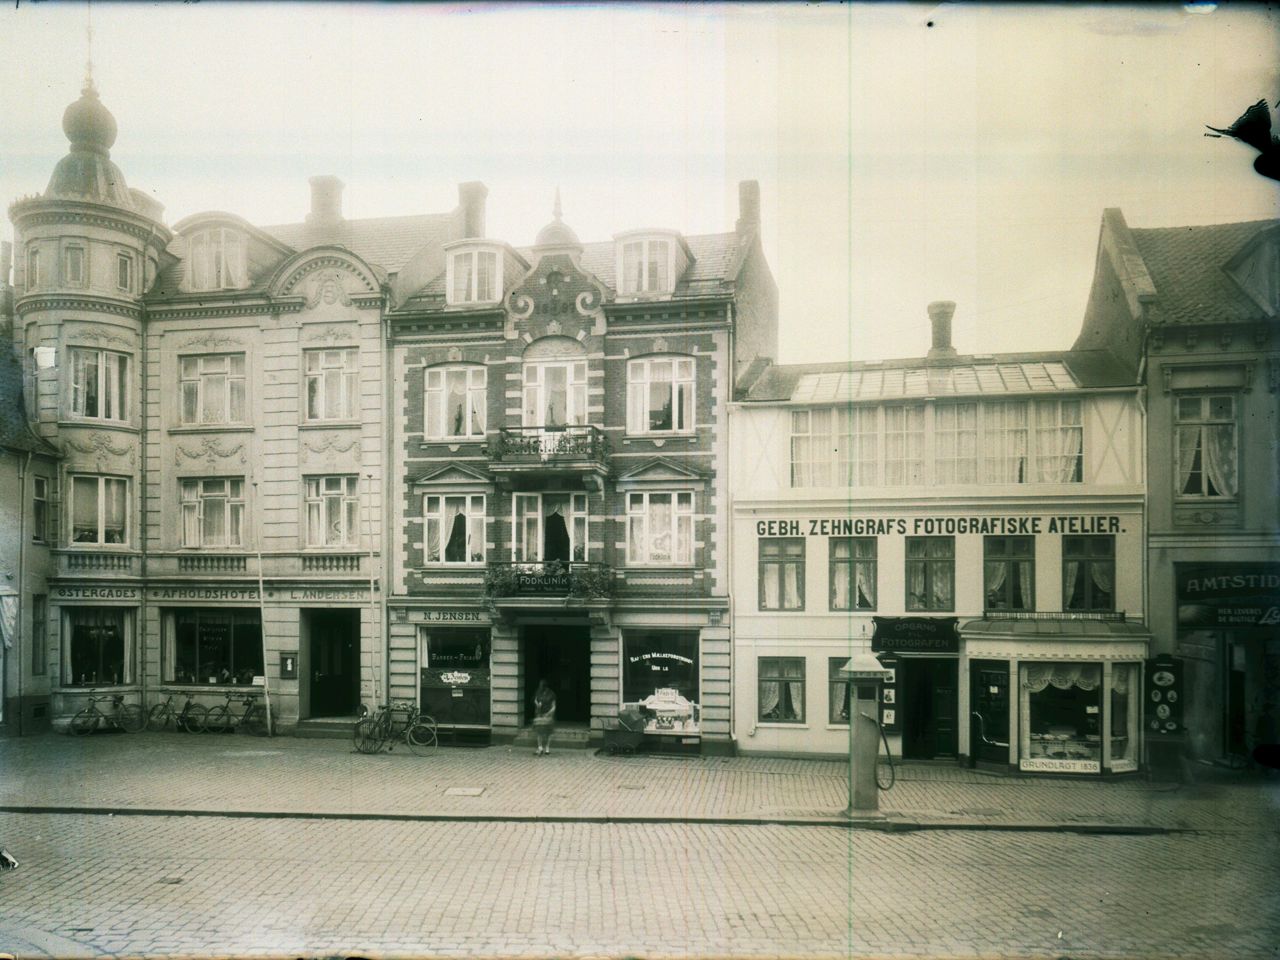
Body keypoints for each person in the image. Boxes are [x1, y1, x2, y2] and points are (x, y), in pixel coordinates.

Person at [532, 679, 556, 756]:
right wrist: (537, 704)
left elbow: (553, 706)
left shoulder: (551, 694)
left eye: (541, 685)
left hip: (547, 715)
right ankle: (541, 748)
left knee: (548, 732)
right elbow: (535, 700)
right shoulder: (538, 692)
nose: (540, 687)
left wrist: (549, 713)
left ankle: (546, 748)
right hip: (540, 714)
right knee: (540, 731)